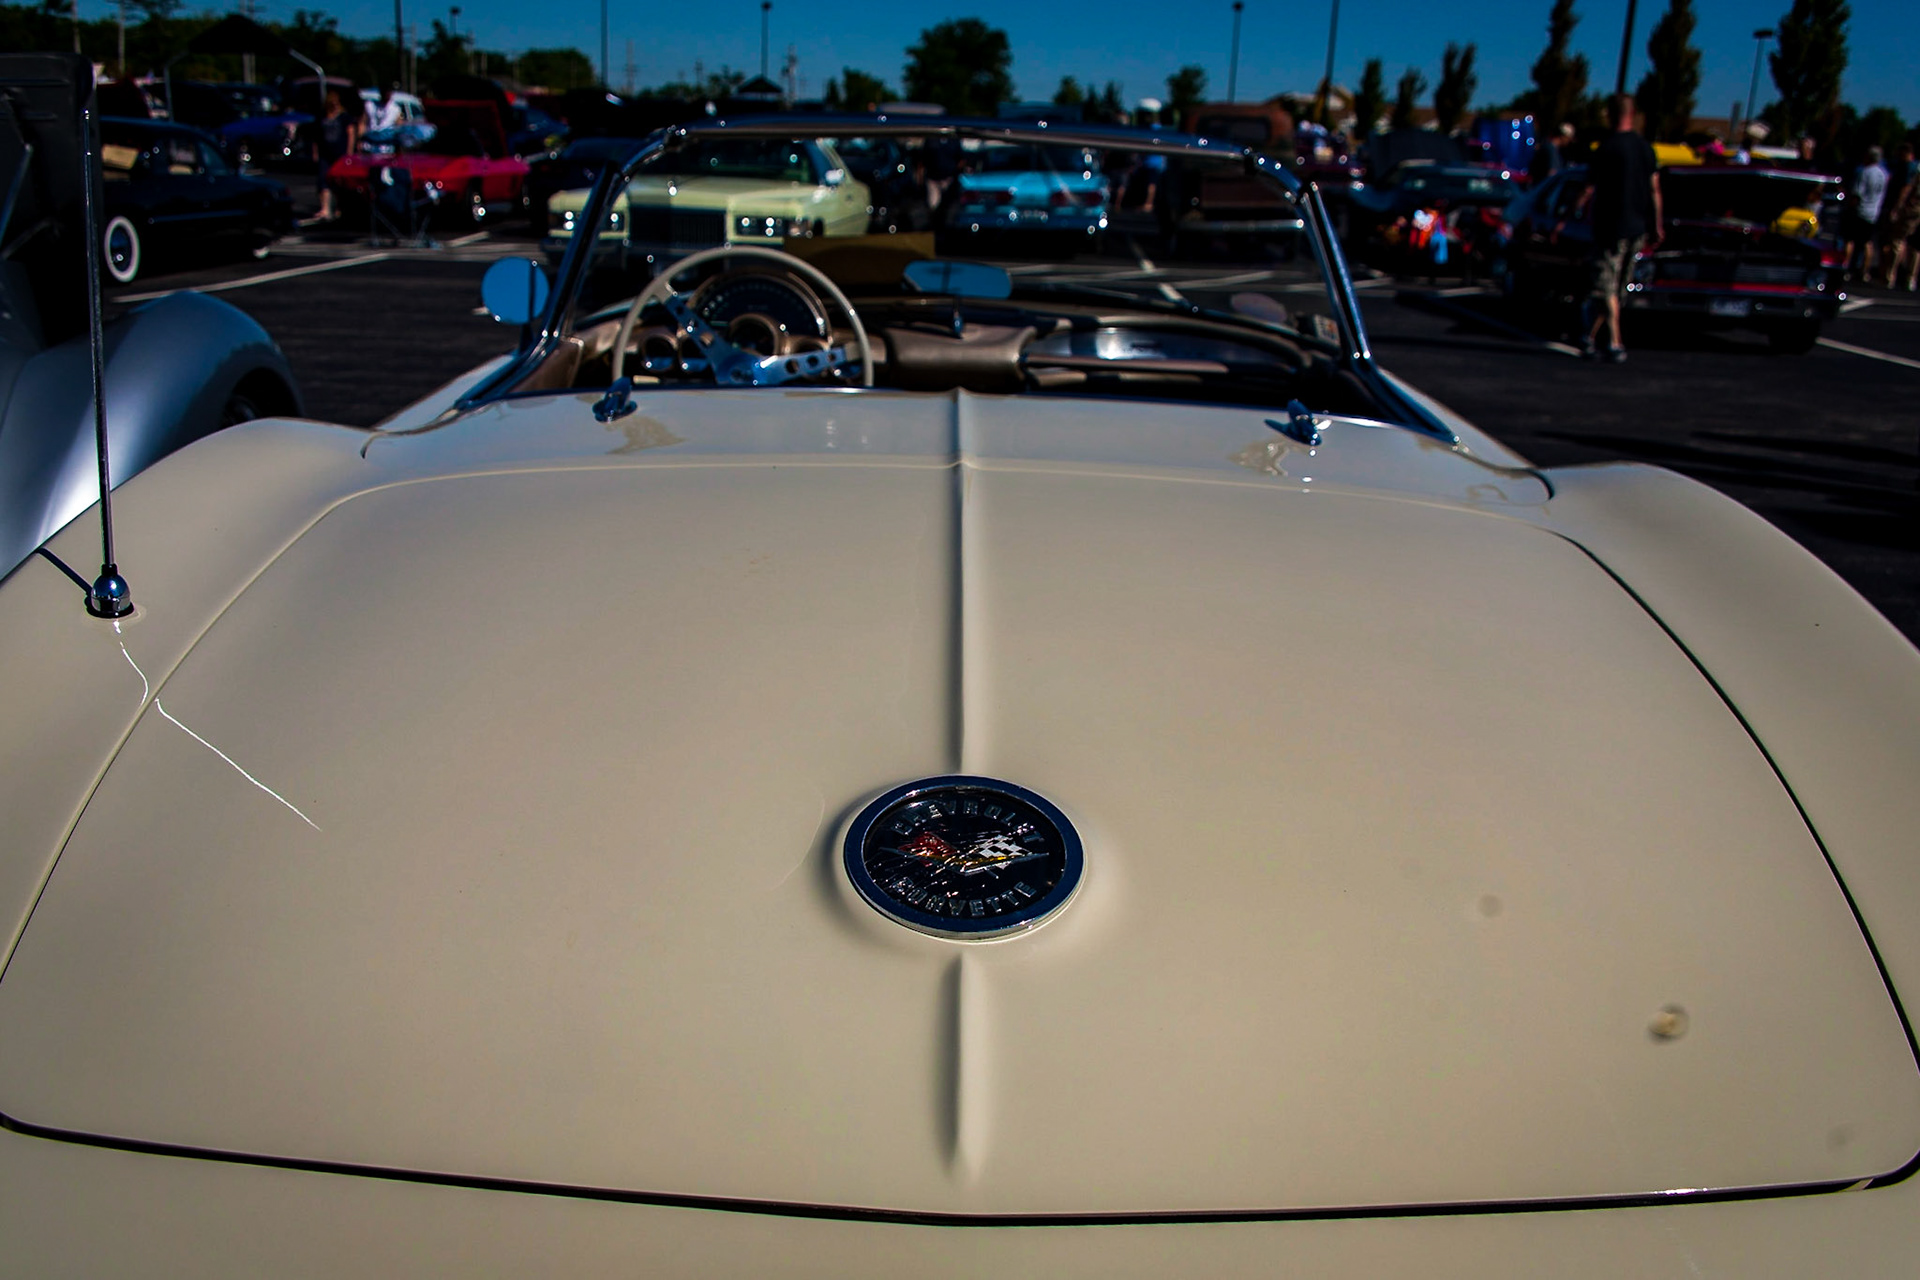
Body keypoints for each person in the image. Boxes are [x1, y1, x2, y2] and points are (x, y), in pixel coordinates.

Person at [1582, 94, 1662, 363]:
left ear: (1610, 115)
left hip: (1610, 227)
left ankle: (1614, 341)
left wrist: (1570, 214)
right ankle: (1591, 337)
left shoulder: (1606, 148)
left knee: (1607, 286)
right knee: (1617, 288)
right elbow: (1654, 190)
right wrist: (1656, 225)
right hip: (1636, 227)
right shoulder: (1645, 149)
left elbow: (1588, 188)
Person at [309, 90, 359, 222]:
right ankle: (325, 209)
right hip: (325, 153)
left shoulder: (344, 117)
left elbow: (351, 133)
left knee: (339, 183)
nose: (334, 106)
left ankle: (340, 208)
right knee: (323, 179)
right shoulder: (322, 117)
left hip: (340, 154)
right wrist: (315, 152)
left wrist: (349, 152)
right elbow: (316, 136)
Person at [1844, 146, 1889, 281]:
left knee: (1850, 240)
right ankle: (1864, 271)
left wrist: (1849, 207)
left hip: (1860, 210)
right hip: (1873, 211)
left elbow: (1857, 194)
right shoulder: (1883, 174)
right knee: (1867, 242)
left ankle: (1845, 267)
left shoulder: (1864, 172)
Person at [1879, 141, 1919, 289]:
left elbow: (1906, 188)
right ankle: (1909, 278)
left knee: (1897, 241)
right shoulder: (1914, 167)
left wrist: (1897, 206)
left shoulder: (1909, 168)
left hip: (1909, 209)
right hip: (1915, 210)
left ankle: (1890, 276)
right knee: (1912, 245)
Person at [1528, 121, 1574, 186]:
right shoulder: (1550, 149)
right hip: (1545, 190)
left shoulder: (1553, 149)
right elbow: (1552, 173)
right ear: (1562, 136)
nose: (1569, 141)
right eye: (1568, 138)